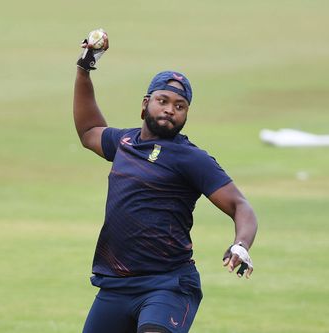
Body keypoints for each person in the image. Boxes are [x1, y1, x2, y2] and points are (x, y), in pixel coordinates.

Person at [74, 29, 258, 333]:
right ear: (146, 103)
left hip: (168, 284)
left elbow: (240, 205)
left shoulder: (191, 158)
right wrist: (85, 68)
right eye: (163, 100)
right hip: (116, 285)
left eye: (179, 106)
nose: (170, 109)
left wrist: (242, 244)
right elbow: (89, 130)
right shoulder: (125, 142)